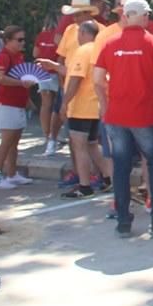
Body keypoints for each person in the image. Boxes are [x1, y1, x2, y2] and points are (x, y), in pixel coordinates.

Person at [94, 0, 153, 238]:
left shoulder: (110, 44)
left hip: (116, 116)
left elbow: (98, 79)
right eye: (147, 15)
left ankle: (123, 220)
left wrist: (104, 103)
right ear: (141, 16)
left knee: (120, 167)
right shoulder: (152, 43)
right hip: (144, 114)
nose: (148, 19)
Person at [56, 20, 112, 198]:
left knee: (79, 145)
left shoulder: (83, 50)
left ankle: (84, 185)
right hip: (95, 105)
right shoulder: (99, 49)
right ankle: (108, 178)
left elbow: (76, 79)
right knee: (93, 145)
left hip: (81, 106)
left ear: (82, 33)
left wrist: (65, 102)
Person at [0, 26, 37, 189]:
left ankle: (11, 174)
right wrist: (20, 83)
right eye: (19, 40)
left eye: (24, 39)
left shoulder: (19, 57)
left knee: (14, 141)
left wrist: (27, 99)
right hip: (5, 103)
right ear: (7, 41)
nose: (23, 43)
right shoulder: (3, 56)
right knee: (6, 142)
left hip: (17, 103)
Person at [33, 13, 63, 156]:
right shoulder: (59, 37)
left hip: (41, 72)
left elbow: (35, 53)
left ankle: (47, 135)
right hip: (56, 72)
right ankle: (55, 135)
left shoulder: (41, 35)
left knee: (45, 105)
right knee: (58, 106)